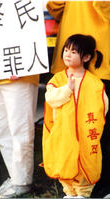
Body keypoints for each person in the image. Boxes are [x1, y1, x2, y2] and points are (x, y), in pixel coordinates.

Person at [45, 2, 110, 197]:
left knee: (90, 132)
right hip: (95, 60)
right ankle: (85, 187)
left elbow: (54, 6)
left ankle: (89, 187)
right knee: (95, 131)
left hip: (93, 61)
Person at [0, 73, 39, 198]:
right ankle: (15, 176)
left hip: (20, 74)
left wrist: (22, 65)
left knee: (21, 129)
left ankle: (22, 181)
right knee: (1, 129)